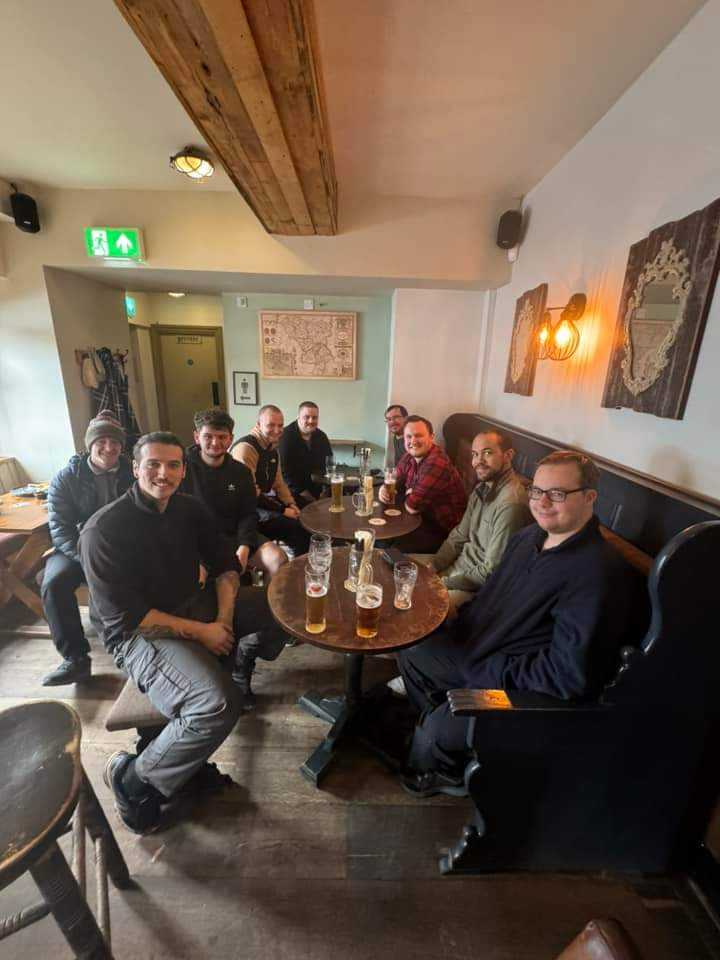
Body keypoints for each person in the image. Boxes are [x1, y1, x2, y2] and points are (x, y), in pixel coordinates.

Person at [397, 451, 647, 798]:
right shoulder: (526, 539)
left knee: (435, 732)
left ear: (589, 497)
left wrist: (491, 670)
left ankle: (447, 768)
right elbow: (490, 599)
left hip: (515, 688)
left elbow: (568, 676)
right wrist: (455, 619)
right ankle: (439, 725)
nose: (542, 501)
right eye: (536, 491)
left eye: (557, 493)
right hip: (476, 651)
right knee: (413, 651)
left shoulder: (598, 574)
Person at [80, 432, 287, 834]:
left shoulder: (188, 509)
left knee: (282, 607)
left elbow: (227, 567)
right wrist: (204, 633)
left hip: (196, 607)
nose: (164, 473)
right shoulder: (103, 530)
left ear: (182, 469)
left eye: (173, 464)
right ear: (135, 467)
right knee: (217, 704)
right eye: (153, 464)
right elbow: (128, 618)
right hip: (138, 635)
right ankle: (136, 779)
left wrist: (223, 622)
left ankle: (237, 662)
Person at [41, 410, 133, 686]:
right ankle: (75, 659)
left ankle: (136, 648)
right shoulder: (65, 478)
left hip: (123, 548)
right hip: (76, 549)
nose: (109, 447)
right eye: (101, 441)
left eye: (115, 441)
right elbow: (59, 528)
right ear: (89, 444)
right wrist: (86, 558)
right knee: (53, 582)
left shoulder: (134, 471)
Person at [182, 409, 287, 580]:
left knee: (278, 558)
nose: (215, 442)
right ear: (196, 437)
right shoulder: (181, 469)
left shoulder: (241, 472)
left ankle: (266, 604)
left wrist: (245, 546)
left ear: (230, 438)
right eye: (208, 436)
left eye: (222, 437)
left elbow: (248, 513)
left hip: (234, 536)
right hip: (197, 542)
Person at [230, 405, 310, 557]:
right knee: (298, 529)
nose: (277, 430)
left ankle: (305, 559)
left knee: (307, 510)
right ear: (258, 425)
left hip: (262, 505)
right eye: (271, 425)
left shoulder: (271, 448)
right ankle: (298, 570)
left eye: (280, 425)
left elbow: (279, 483)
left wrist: (291, 503)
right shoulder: (246, 449)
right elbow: (251, 494)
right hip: (246, 513)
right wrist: (284, 510)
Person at [379, 415, 466, 553]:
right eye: (408, 436)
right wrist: (384, 488)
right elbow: (394, 480)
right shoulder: (410, 455)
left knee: (389, 549)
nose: (413, 441)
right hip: (420, 520)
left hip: (442, 532)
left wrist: (409, 495)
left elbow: (412, 506)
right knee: (378, 536)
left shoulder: (436, 462)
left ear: (431, 436)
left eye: (418, 435)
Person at [278, 400, 333, 506]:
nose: (311, 421)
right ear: (298, 417)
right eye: (306, 417)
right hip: (294, 492)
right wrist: (309, 498)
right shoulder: (285, 437)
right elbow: (285, 473)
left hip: (318, 489)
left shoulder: (321, 436)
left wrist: (325, 490)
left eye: (315, 417)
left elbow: (329, 464)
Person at [384, 404, 408, 469]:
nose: (392, 422)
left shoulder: (410, 441)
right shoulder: (396, 437)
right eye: (389, 419)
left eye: (396, 417)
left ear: (406, 418)